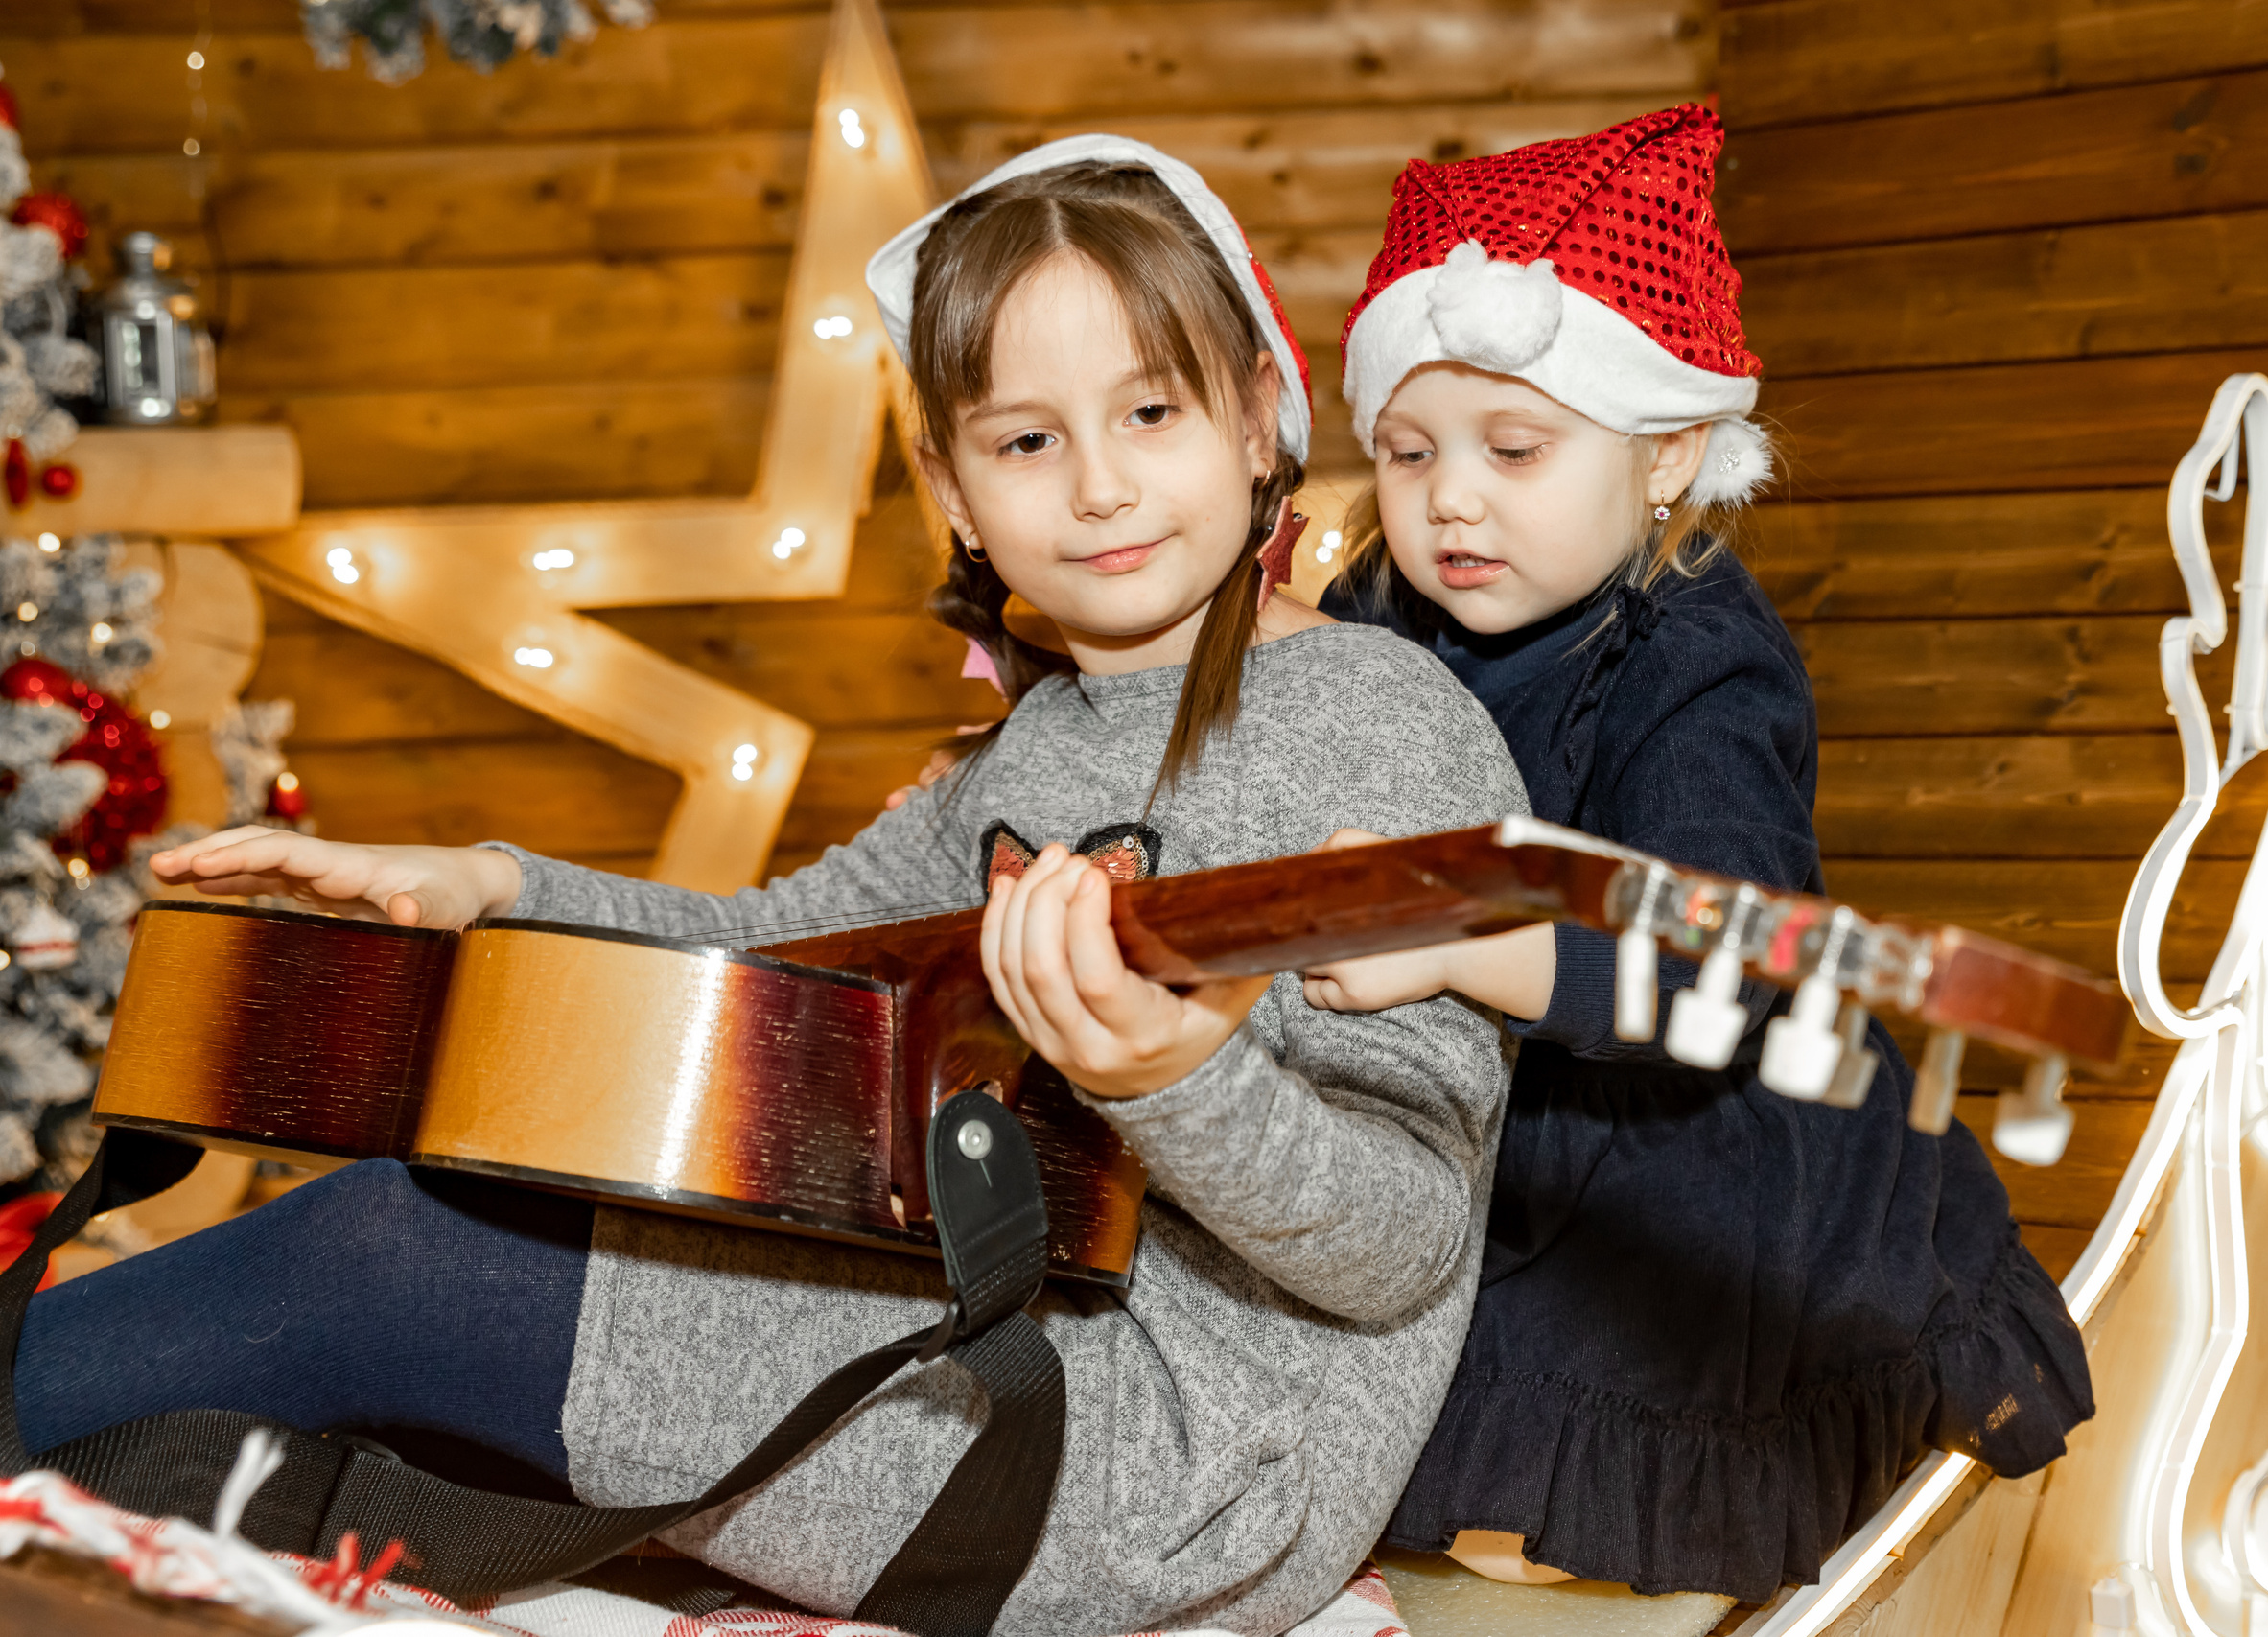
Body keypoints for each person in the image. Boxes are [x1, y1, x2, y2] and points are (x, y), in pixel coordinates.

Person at [19, 139, 1531, 1636]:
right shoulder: (1044, 738)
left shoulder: (1382, 733)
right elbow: (769, 949)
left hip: (1170, 1470)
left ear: (1262, 412)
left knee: (396, 1258)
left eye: (1150, 410)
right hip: (1003, 1321)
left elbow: (1396, 1245)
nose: (1101, 487)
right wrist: (482, 881)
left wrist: (1179, 1074)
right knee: (447, 1210)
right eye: (1026, 442)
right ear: (948, 481)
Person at [1301, 107, 2095, 1632]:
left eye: (1513, 449)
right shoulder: (1384, 605)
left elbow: (1713, 956)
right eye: (1408, 451)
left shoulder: (1701, 660)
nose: (1451, 497)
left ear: (1668, 448)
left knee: (1584, 1421)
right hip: (1496, 1098)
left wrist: (1462, 938)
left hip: (1687, 1122)